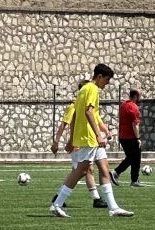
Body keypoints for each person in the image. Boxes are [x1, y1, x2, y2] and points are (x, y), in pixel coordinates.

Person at [48, 64, 132, 219]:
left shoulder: (84, 89)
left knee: (104, 168)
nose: (106, 84)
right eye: (106, 80)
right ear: (99, 76)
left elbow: (82, 114)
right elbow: (88, 112)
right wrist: (98, 135)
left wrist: (101, 131)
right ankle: (57, 204)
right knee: (81, 170)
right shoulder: (92, 89)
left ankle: (113, 207)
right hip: (89, 137)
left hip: (88, 136)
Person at [53, 80, 107, 209]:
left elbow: (96, 118)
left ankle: (58, 197)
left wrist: (104, 130)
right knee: (85, 170)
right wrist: (59, 141)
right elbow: (65, 124)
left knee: (82, 171)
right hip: (79, 143)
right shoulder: (74, 106)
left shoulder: (84, 105)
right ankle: (96, 199)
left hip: (85, 141)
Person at [112, 89, 145, 186]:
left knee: (134, 157)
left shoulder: (123, 105)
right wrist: (137, 138)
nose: (140, 98)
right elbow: (135, 124)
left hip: (122, 136)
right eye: (140, 96)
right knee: (134, 157)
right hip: (130, 137)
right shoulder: (133, 107)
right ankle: (116, 172)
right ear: (135, 96)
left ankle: (134, 180)